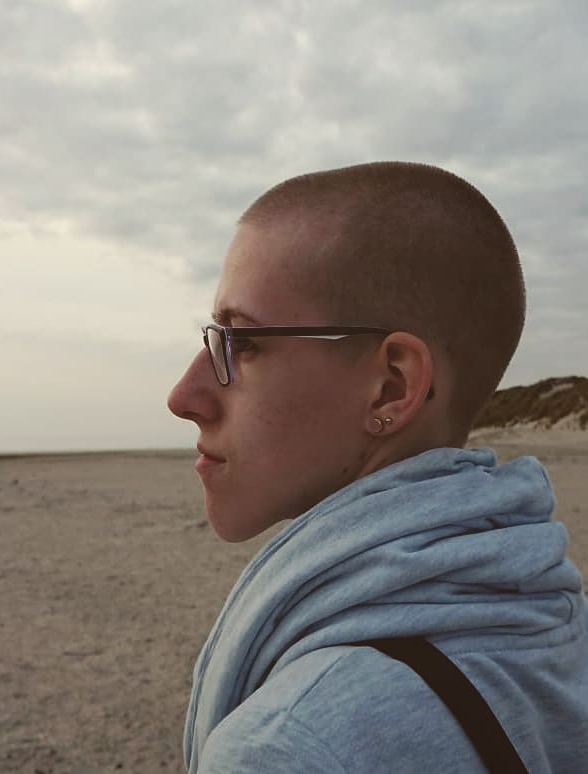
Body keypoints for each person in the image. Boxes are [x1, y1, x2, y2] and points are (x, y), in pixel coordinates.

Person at [167, 162, 588, 773]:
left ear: (391, 387)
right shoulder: (556, 624)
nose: (184, 396)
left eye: (244, 343)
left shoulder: (291, 747)